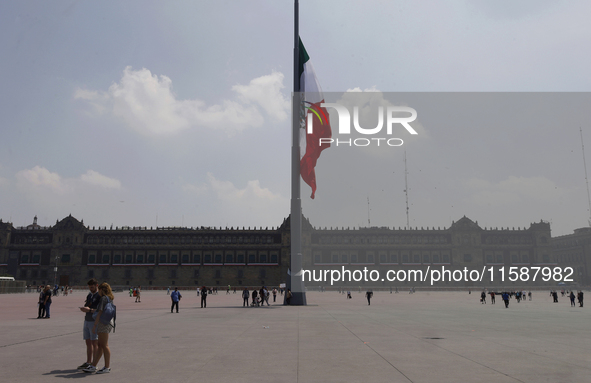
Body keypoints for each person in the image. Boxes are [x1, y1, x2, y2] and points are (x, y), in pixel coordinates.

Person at [83, 282, 114, 374]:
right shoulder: (109, 298)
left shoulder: (104, 298)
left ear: (101, 290)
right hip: (106, 323)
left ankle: (107, 367)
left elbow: (99, 312)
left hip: (103, 324)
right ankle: (93, 365)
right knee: (100, 345)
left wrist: (95, 325)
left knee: (104, 345)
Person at [77, 278, 101, 371]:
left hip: (94, 321)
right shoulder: (89, 295)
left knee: (95, 343)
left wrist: (89, 310)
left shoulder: (99, 296)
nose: (91, 289)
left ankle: (94, 364)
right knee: (88, 342)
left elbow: (100, 311)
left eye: (92, 287)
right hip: (87, 320)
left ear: (96, 286)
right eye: (89, 287)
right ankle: (88, 362)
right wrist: (84, 309)